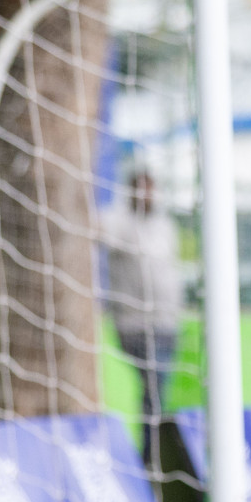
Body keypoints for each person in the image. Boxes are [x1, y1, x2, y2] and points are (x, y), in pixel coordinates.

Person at [103, 170, 182, 468]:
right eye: (141, 190)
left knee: (159, 391)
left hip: (166, 324)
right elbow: (98, 229)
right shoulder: (119, 222)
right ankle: (150, 459)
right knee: (154, 391)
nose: (147, 196)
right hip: (135, 325)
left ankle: (156, 454)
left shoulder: (164, 225)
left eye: (151, 189)